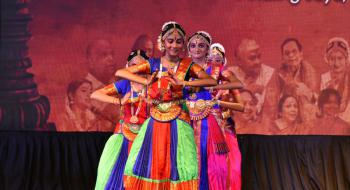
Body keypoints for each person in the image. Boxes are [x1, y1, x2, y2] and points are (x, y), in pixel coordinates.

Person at [115, 21, 216, 190]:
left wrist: (183, 82)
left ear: (183, 44)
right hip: (155, 122)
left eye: (178, 41)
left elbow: (211, 81)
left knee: (183, 166)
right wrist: (146, 80)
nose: (174, 45)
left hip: (179, 121)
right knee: (152, 165)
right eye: (170, 41)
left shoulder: (188, 65)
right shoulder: (153, 64)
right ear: (163, 41)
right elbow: (121, 72)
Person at [186, 33, 243, 190]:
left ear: (207, 50)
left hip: (211, 123)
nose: (197, 48)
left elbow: (238, 84)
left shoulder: (216, 70)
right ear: (188, 50)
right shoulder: (182, 70)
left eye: (201, 45)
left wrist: (214, 87)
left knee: (216, 168)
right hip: (187, 123)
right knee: (188, 166)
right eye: (193, 45)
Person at [93, 50, 150, 190]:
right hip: (123, 135)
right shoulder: (125, 84)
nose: (137, 68)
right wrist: (119, 101)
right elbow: (96, 94)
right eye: (133, 65)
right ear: (127, 67)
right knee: (116, 172)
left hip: (145, 135)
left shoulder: (151, 85)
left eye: (141, 65)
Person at [206, 43, 245, 190]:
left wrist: (220, 102)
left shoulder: (228, 77)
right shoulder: (202, 78)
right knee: (211, 170)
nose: (215, 60)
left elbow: (241, 106)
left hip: (226, 128)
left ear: (224, 60)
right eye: (212, 57)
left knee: (232, 169)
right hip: (206, 128)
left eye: (219, 57)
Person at [231, 39, 278, 119]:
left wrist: (263, 90)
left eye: (259, 56)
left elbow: (272, 109)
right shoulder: (230, 75)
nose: (258, 62)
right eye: (252, 58)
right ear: (239, 61)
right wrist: (247, 91)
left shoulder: (270, 74)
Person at [277, 38, 318, 123]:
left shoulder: (310, 71)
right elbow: (272, 103)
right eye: (287, 53)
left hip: (309, 122)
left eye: (294, 51)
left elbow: (320, 102)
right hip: (286, 121)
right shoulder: (278, 74)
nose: (291, 55)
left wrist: (308, 93)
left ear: (301, 54)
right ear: (283, 58)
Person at [85, 39, 119, 131]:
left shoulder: (117, 86)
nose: (111, 59)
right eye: (104, 55)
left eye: (112, 54)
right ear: (91, 61)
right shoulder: (82, 92)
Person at [321, 37, 350, 125]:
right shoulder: (324, 78)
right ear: (328, 60)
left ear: (346, 60)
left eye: (340, 58)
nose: (336, 63)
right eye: (332, 59)